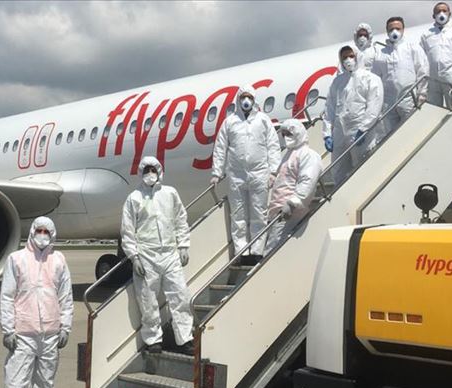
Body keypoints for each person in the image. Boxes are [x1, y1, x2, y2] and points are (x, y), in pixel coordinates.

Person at [0, 216, 73, 388]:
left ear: (53, 234)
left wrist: (65, 327)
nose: (42, 235)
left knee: (45, 385)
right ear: (32, 232)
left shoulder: (58, 260)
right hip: (23, 333)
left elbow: (65, 296)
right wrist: (8, 329)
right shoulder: (16, 259)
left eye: (47, 231)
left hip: (50, 332)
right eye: (39, 230)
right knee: (15, 385)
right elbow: (7, 296)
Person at [122, 156, 194, 355]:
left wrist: (183, 245)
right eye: (146, 170)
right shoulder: (134, 198)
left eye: (153, 170)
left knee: (180, 296)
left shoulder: (170, 193)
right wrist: (134, 257)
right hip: (146, 255)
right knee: (147, 301)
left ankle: (185, 338)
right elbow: (127, 230)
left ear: (160, 171)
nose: (150, 174)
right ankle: (153, 340)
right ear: (140, 173)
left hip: (170, 253)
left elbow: (180, 219)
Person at [211, 84, 281, 264]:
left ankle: (257, 251)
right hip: (236, 175)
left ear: (254, 99)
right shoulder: (230, 122)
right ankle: (242, 252)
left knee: (259, 213)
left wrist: (273, 170)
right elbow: (220, 148)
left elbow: (273, 145)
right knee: (238, 215)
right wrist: (217, 172)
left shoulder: (263, 120)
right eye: (243, 97)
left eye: (249, 97)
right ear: (238, 99)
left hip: (259, 172)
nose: (246, 100)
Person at [323, 46, 384, 185]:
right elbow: (329, 108)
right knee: (338, 171)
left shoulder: (370, 78)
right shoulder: (338, 82)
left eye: (351, 56)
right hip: (339, 132)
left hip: (360, 132)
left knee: (364, 170)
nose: (348, 60)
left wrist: (364, 128)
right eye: (344, 57)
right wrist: (327, 134)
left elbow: (374, 105)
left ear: (358, 56)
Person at [265, 119, 322, 254]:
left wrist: (293, 203)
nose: (286, 137)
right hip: (278, 210)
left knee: (273, 250)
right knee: (273, 246)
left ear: (298, 133)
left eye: (289, 133)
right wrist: (273, 176)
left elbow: (307, 181)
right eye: (284, 134)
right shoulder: (289, 154)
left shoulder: (308, 155)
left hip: (291, 211)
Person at [372, 16, 429, 136]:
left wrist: (422, 93)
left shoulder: (412, 47)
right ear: (387, 31)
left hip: (409, 98)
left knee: (413, 132)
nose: (394, 32)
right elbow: (375, 79)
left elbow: (422, 70)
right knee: (392, 136)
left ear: (403, 29)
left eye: (398, 28)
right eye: (391, 29)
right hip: (388, 103)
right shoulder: (381, 54)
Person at [421, 2, 452, 109]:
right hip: (433, 79)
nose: (441, 13)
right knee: (433, 109)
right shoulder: (426, 35)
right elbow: (422, 58)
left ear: (449, 13)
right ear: (433, 16)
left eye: (444, 11)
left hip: (451, 76)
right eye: (438, 11)